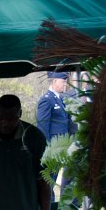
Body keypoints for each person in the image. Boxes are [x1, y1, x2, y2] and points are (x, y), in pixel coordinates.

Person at [37, 71, 78, 200]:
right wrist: (48, 149)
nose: (65, 84)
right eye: (62, 81)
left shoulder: (60, 99)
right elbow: (43, 127)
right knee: (48, 184)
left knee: (55, 182)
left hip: (62, 148)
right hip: (53, 150)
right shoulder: (46, 100)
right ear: (54, 81)